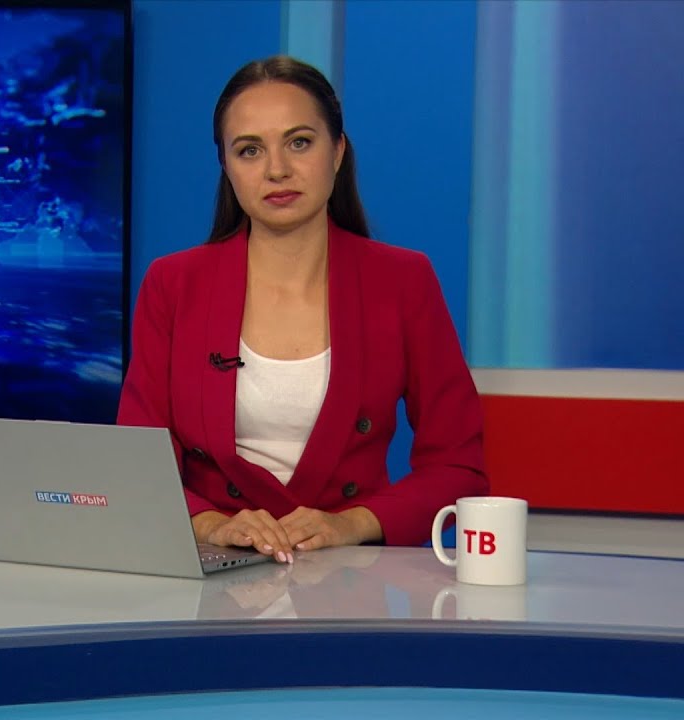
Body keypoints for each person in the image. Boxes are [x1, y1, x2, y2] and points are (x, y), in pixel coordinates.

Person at [118, 56, 487, 564]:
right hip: (213, 573)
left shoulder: (404, 281)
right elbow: (138, 466)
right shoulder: (173, 284)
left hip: (350, 579)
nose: (277, 170)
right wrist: (211, 525)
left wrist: (352, 523)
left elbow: (459, 466)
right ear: (226, 167)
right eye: (250, 150)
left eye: (299, 142)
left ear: (337, 151)